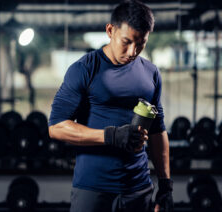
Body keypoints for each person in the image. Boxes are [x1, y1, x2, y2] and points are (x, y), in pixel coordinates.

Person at [48, 1, 173, 212]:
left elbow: (158, 132)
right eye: (127, 41)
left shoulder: (151, 73)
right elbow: (56, 127)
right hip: (93, 188)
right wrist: (111, 136)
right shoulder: (84, 69)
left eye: (141, 43)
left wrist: (165, 185)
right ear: (110, 30)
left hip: (139, 189)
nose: (133, 51)